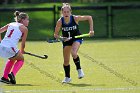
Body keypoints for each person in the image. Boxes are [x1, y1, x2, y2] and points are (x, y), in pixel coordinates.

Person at [54, 3, 94, 83]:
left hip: (77, 38)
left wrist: (91, 30)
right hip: (67, 41)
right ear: (62, 13)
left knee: (73, 52)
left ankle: (79, 70)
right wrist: (62, 38)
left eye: (67, 12)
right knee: (66, 61)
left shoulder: (75, 18)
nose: (66, 13)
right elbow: (55, 34)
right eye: (64, 12)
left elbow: (89, 17)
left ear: (70, 12)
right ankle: (67, 77)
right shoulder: (60, 21)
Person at [0, 11, 29, 84]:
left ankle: (4, 77)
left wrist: (1, 42)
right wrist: (22, 50)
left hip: (1, 47)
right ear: (22, 20)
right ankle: (12, 74)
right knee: (21, 59)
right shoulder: (24, 29)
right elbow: (23, 43)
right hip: (10, 47)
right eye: (27, 19)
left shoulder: (11, 24)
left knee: (12, 59)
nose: (28, 21)